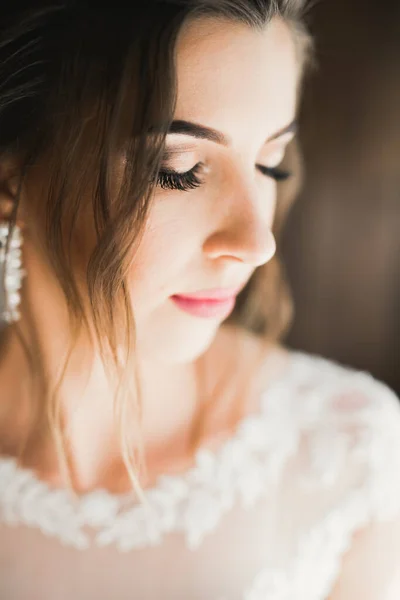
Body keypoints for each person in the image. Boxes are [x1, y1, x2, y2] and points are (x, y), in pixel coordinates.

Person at [0, 1, 399, 599]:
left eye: (270, 164)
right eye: (178, 168)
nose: (257, 243)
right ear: (9, 182)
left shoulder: (346, 453)